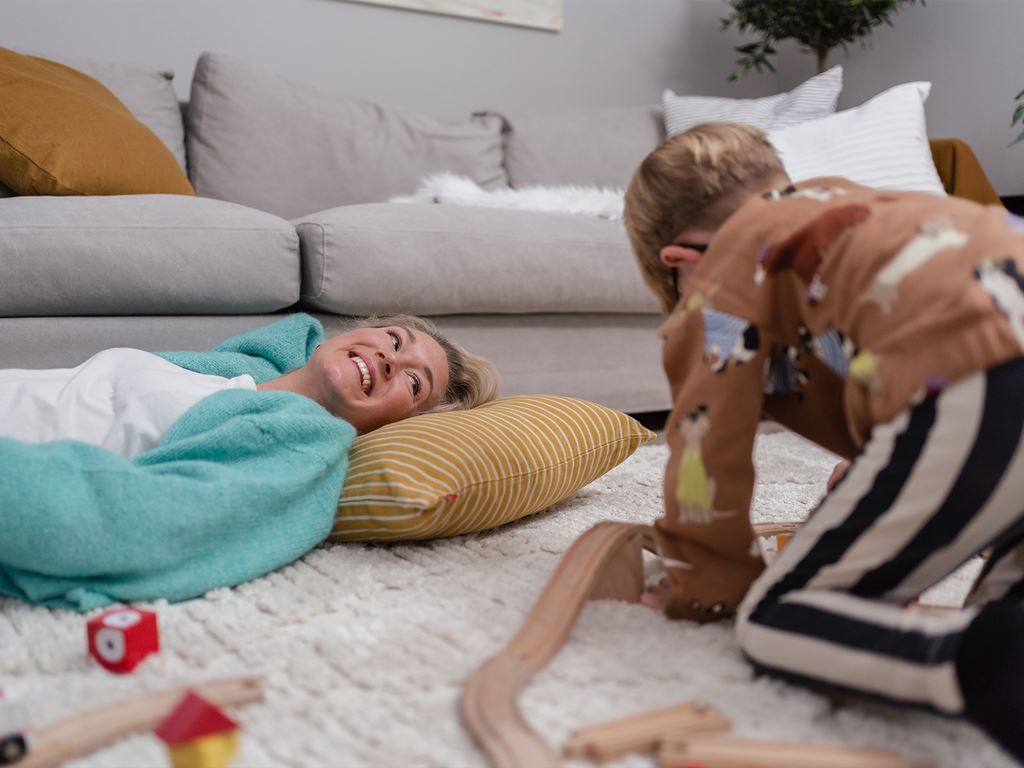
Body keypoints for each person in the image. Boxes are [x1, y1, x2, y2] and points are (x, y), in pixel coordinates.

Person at [622, 122, 1024, 761]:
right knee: (1003, 585)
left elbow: (707, 440)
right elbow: (862, 365)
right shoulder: (857, 211)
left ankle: (990, 665)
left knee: (777, 615)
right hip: (995, 349)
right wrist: (870, 476)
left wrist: (705, 580)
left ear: (681, 263)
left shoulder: (727, 269)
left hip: (980, 377)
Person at [0, 312, 499, 610]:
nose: (392, 359)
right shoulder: (237, 378)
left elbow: (132, 524)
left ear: (396, 426)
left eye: (414, 384)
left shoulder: (294, 448)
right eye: (394, 339)